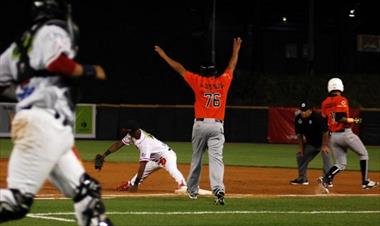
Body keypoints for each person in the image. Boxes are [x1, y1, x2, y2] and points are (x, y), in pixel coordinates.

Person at [0, 1, 113, 225]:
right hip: (43, 124)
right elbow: (56, 62)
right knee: (16, 202)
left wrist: (27, 93)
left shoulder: (20, 45)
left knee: (88, 194)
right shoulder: (53, 29)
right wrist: (89, 71)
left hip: (49, 127)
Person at [154, 37, 242, 205]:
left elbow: (179, 68)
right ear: (215, 73)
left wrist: (164, 55)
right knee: (216, 159)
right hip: (217, 126)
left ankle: (193, 191)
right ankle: (219, 190)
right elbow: (231, 66)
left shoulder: (198, 81)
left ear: (202, 73)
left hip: (200, 125)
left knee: (196, 158)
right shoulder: (223, 82)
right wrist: (236, 50)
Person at [317, 77, 379, 193]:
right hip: (345, 134)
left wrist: (325, 143)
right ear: (340, 87)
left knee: (340, 164)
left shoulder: (324, 103)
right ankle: (365, 182)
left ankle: (326, 179)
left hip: (333, 137)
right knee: (364, 154)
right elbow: (340, 118)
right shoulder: (341, 99)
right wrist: (354, 120)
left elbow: (324, 124)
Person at [95, 120, 188, 193]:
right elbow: (118, 144)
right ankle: (130, 184)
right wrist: (104, 155)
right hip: (154, 160)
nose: (123, 130)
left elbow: (142, 165)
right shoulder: (132, 134)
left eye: (125, 129)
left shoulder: (145, 143)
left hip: (166, 155)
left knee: (172, 169)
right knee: (138, 177)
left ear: (131, 130)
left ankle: (183, 185)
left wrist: (136, 185)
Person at [290, 101, 332, 186]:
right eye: (301, 110)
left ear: (310, 110)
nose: (303, 112)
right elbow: (299, 135)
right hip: (311, 143)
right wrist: (301, 149)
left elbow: (326, 132)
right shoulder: (298, 119)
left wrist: (324, 146)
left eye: (305, 110)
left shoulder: (317, 117)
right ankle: (302, 178)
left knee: (326, 155)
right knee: (300, 156)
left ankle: (327, 180)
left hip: (324, 141)